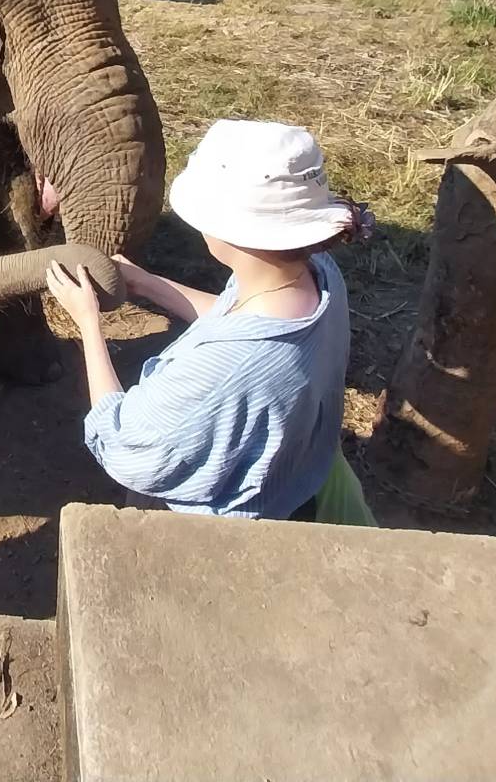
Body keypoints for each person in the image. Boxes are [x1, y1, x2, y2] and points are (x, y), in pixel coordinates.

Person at [46, 119, 375, 524]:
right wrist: (150, 283)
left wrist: (87, 323)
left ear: (232, 231)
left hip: (212, 527)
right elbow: (235, 314)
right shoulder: (318, 275)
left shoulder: (225, 368)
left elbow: (122, 443)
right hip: (295, 483)